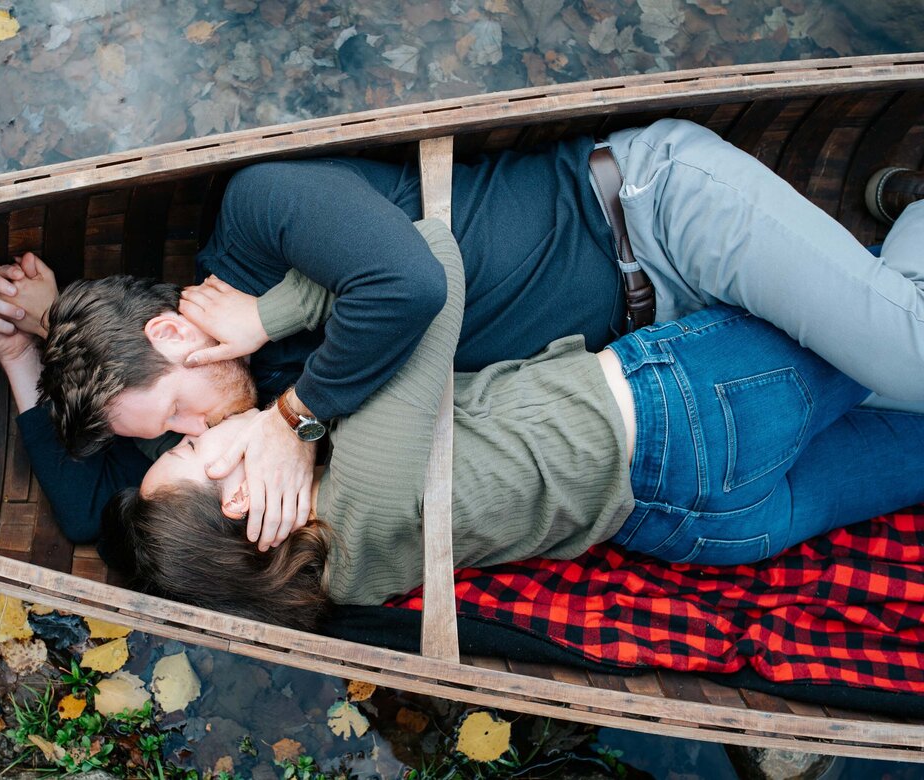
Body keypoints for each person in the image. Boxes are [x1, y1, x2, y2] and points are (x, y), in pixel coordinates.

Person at [0, 118, 924, 552]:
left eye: (181, 416)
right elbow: (85, 514)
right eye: (179, 441)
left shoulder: (259, 215)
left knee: (911, 357)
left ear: (176, 334)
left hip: (654, 222)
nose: (200, 441)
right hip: (680, 343)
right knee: (893, 384)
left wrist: (294, 417)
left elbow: (411, 279)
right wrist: (29, 352)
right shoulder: (241, 387)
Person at [98, 220, 924, 631]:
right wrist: (286, 397)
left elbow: (86, 511)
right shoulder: (370, 488)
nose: (195, 434)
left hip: (702, 527)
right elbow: (430, 266)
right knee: (905, 320)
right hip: (699, 411)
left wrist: (35, 353)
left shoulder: (337, 581)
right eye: (191, 452)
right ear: (241, 504)